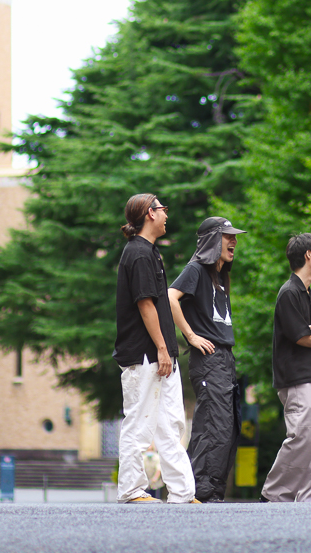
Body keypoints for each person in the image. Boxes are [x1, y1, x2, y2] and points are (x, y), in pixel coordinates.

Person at [112, 193, 196, 504]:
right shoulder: (137, 254)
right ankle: (131, 490)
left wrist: (167, 351)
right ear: (150, 213)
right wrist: (161, 348)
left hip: (161, 354)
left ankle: (182, 492)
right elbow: (145, 305)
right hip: (144, 354)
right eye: (163, 209)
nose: (166, 215)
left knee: (170, 424)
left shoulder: (150, 252)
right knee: (139, 421)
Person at [168, 216, 247, 503]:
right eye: (228, 236)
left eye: (234, 236)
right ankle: (199, 492)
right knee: (214, 426)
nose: (234, 241)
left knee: (228, 427)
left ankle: (213, 492)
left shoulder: (220, 276)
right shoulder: (196, 269)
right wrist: (190, 335)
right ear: (212, 240)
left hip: (225, 358)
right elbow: (170, 297)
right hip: (208, 359)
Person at [261, 233, 311, 502]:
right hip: (298, 378)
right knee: (302, 437)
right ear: (308, 255)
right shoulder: (289, 292)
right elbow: (301, 336)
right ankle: (274, 495)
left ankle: (310, 500)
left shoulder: (309, 294)